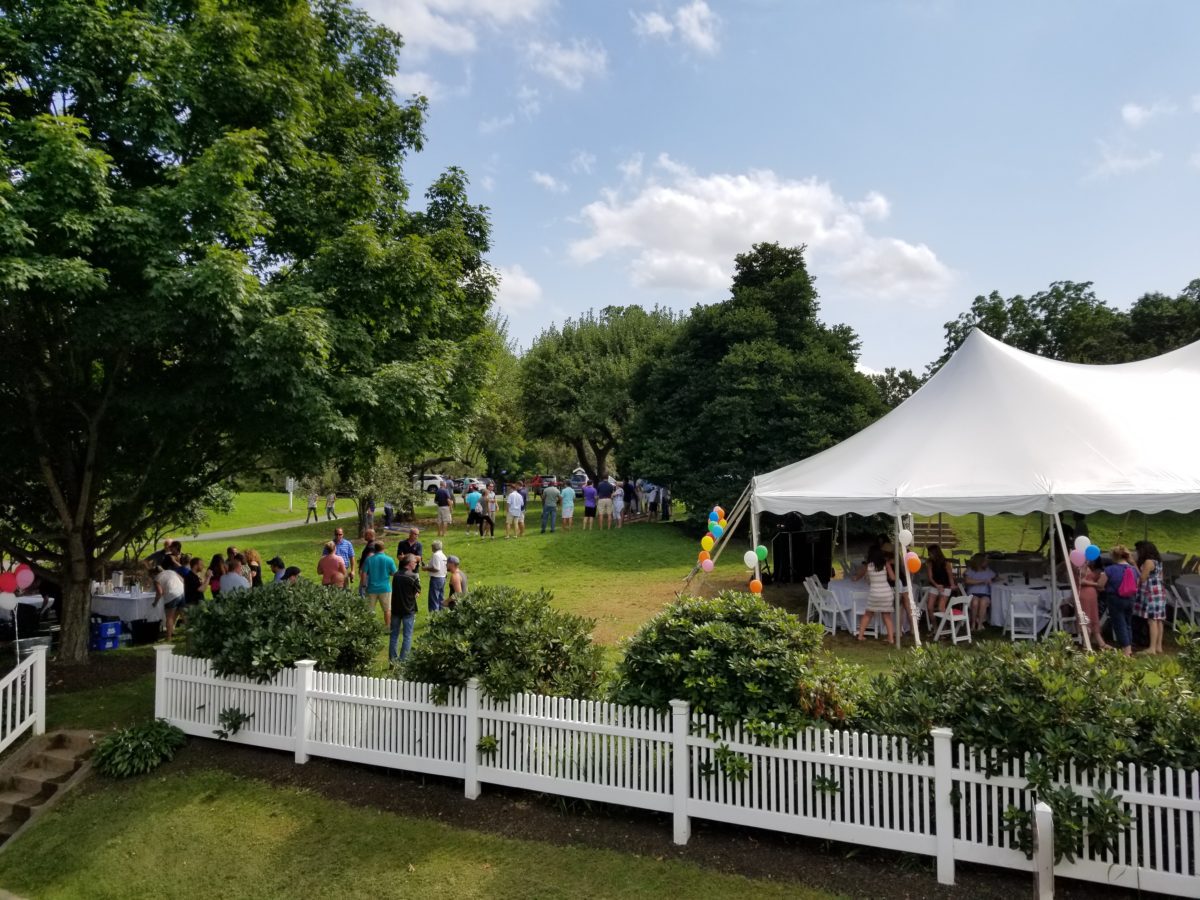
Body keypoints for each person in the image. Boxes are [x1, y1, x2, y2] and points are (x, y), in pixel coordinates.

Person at [1097, 545, 1137, 656]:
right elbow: (1137, 583)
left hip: (1115, 598)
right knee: (1128, 623)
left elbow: (1100, 585)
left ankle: (1126, 650)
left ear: (1113, 556)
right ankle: (1129, 647)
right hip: (1130, 598)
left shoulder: (1110, 570)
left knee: (1119, 624)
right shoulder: (1133, 569)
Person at [855, 545, 896, 643]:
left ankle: (860, 636)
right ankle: (891, 638)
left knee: (868, 614)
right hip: (886, 592)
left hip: (874, 593)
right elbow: (893, 578)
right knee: (887, 616)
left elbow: (866, 579)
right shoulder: (886, 564)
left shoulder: (868, 566)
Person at [1136, 541, 1166, 655]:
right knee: (1159, 620)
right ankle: (1159, 646)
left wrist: (1134, 565)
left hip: (1151, 592)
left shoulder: (1148, 562)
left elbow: (1142, 578)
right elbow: (1161, 576)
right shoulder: (1158, 561)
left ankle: (1152, 648)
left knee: (1152, 620)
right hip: (1159, 591)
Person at [389, 554, 420, 664]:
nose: (416, 564)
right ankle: (403, 661)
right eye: (414, 562)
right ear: (409, 563)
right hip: (408, 609)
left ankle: (392, 661)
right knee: (407, 636)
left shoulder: (396, 575)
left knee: (394, 635)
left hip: (396, 608)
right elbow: (417, 592)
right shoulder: (414, 576)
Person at [1077, 557, 1110, 650]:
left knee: (1094, 616)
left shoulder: (1089, 567)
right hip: (1084, 594)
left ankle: (1100, 642)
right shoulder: (1080, 567)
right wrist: (1095, 584)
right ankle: (1086, 642)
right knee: (1086, 616)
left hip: (1092, 595)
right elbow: (1081, 581)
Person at [363, 540, 397, 627]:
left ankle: (369, 627)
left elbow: (364, 573)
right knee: (387, 609)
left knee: (369, 610)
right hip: (385, 588)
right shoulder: (389, 559)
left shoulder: (369, 560)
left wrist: (364, 584)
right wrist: (388, 573)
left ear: (375, 549)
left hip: (371, 588)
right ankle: (388, 626)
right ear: (384, 548)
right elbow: (394, 573)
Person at [152, 562, 186, 642]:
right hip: (181, 592)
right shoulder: (171, 572)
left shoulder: (156, 578)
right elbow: (183, 580)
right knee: (184, 616)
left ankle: (168, 637)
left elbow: (159, 593)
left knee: (169, 617)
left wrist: (155, 603)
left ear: (154, 573)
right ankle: (190, 635)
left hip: (171, 596)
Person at [962, 553, 997, 630]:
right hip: (973, 593)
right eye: (985, 561)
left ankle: (980, 624)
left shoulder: (988, 570)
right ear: (980, 561)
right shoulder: (970, 570)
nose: (987, 562)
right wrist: (982, 581)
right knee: (975, 602)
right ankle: (973, 623)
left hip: (985, 593)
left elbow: (995, 577)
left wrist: (994, 580)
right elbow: (967, 581)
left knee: (983, 602)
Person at [925, 545, 955, 615]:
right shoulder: (930, 563)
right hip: (934, 585)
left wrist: (952, 585)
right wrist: (937, 585)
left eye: (930, 553)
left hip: (946, 586)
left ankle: (944, 625)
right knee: (929, 607)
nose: (929, 555)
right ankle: (934, 624)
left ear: (935, 553)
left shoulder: (946, 563)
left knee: (941, 608)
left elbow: (950, 576)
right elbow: (930, 577)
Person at [424, 540, 448, 612]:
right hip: (443, 577)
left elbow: (437, 568)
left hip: (436, 578)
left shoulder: (436, 555)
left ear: (434, 547)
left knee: (433, 599)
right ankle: (441, 616)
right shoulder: (443, 555)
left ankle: (434, 618)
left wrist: (426, 568)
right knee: (440, 598)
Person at [357, 529, 377, 598]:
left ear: (371, 535)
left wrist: (362, 570)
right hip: (368, 572)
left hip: (367, 573)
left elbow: (368, 559)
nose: (364, 535)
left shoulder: (371, 546)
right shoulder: (371, 544)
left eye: (366, 534)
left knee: (362, 592)